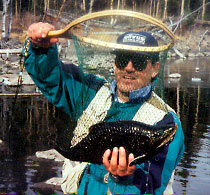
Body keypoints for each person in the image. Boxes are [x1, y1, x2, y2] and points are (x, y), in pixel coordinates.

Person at [24, 22, 185, 195]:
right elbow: (50, 76)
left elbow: (152, 186)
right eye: (123, 59)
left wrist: (124, 180)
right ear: (115, 64)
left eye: (138, 62)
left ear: (154, 69)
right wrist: (40, 48)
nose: (129, 68)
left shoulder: (166, 123)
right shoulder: (91, 92)